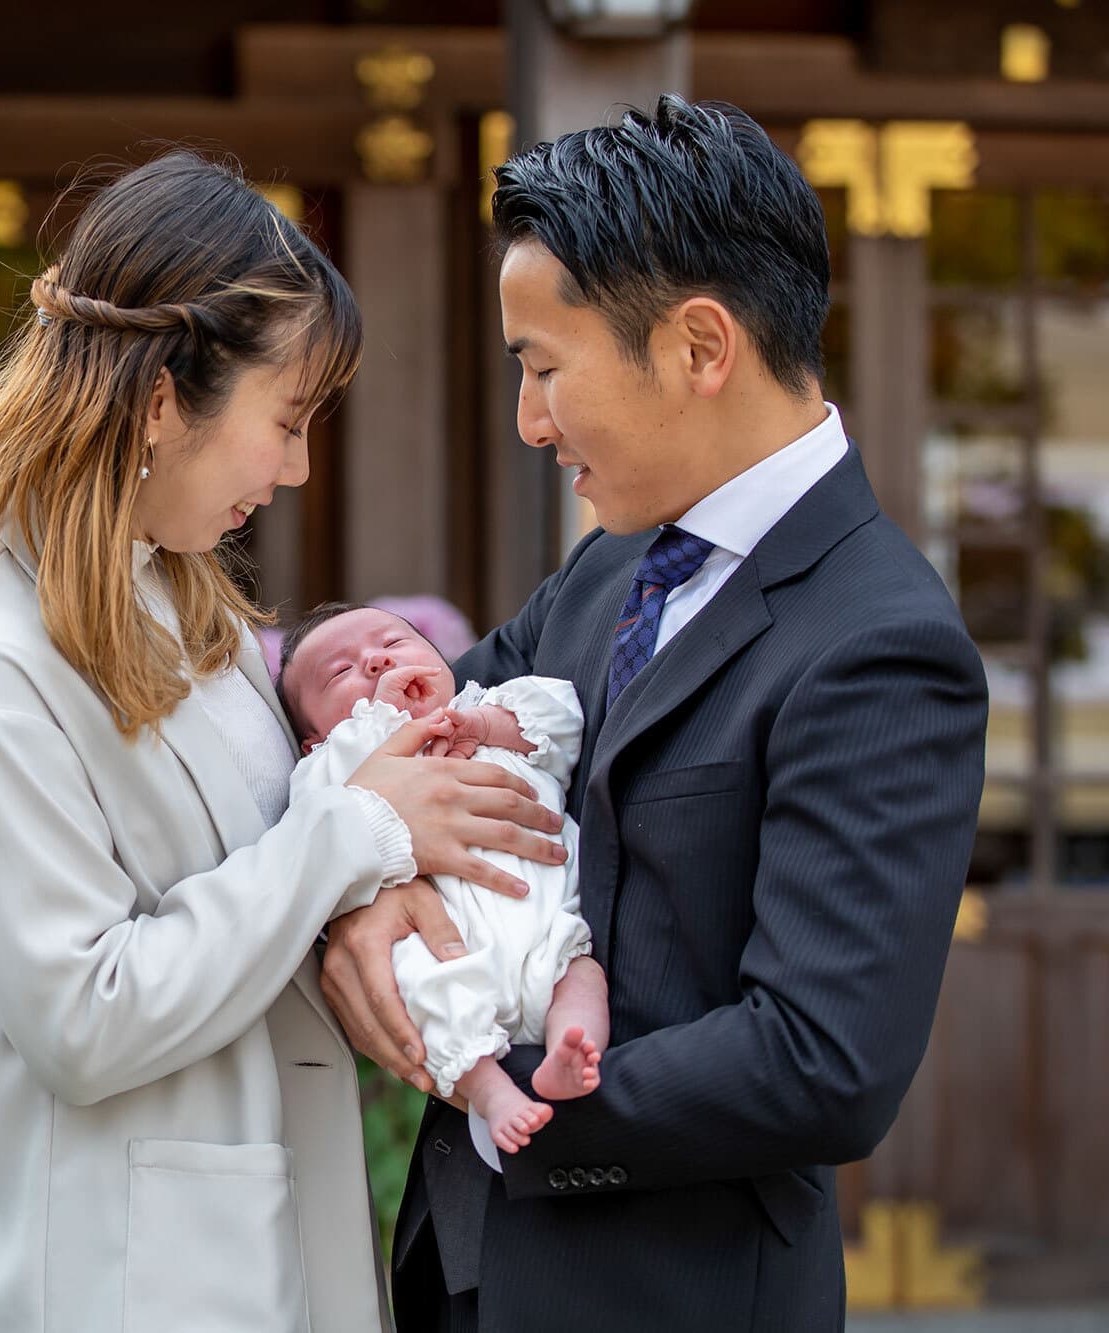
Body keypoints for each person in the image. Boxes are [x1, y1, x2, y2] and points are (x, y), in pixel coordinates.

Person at [319, 95, 989, 1332]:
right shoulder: (612, 564)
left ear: (696, 345)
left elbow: (818, 1061)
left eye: (542, 369)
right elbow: (413, 747)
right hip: (457, 1274)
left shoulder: (880, 643)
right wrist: (354, 901)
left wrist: (499, 1091)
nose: (529, 422)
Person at [0, 150, 565, 1333]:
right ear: (158, 402)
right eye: (283, 422)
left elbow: (280, 880)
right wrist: (358, 832)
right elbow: (84, 1020)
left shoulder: (201, 622)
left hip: (255, 1235)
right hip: (104, 1273)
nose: (295, 470)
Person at [281, 601, 608, 1152]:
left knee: (580, 975)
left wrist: (481, 723)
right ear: (313, 739)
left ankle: (570, 1053)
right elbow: (333, 815)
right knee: (420, 989)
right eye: (340, 672)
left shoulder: (493, 706)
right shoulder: (329, 764)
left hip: (542, 926)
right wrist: (383, 722)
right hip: (443, 945)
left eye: (393, 643)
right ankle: (492, 1092)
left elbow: (561, 723)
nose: (377, 663)